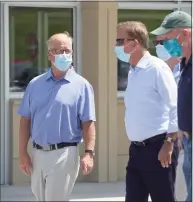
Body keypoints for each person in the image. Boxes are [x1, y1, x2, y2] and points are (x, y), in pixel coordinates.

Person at [18, 32, 96, 201]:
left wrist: (89, 153)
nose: (63, 55)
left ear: (72, 53)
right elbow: (25, 119)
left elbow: (88, 122)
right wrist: (22, 153)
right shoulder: (35, 84)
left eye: (66, 50)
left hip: (64, 154)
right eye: (57, 51)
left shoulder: (82, 85)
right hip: (37, 154)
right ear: (49, 55)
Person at [114, 21, 178, 202]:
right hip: (136, 151)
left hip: (159, 149)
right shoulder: (133, 71)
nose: (116, 46)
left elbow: (175, 106)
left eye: (120, 41)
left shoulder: (157, 68)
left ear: (134, 43)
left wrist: (169, 143)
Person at [151, 10, 192, 202]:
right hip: (186, 141)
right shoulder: (184, 65)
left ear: (185, 33)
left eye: (168, 38)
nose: (166, 43)